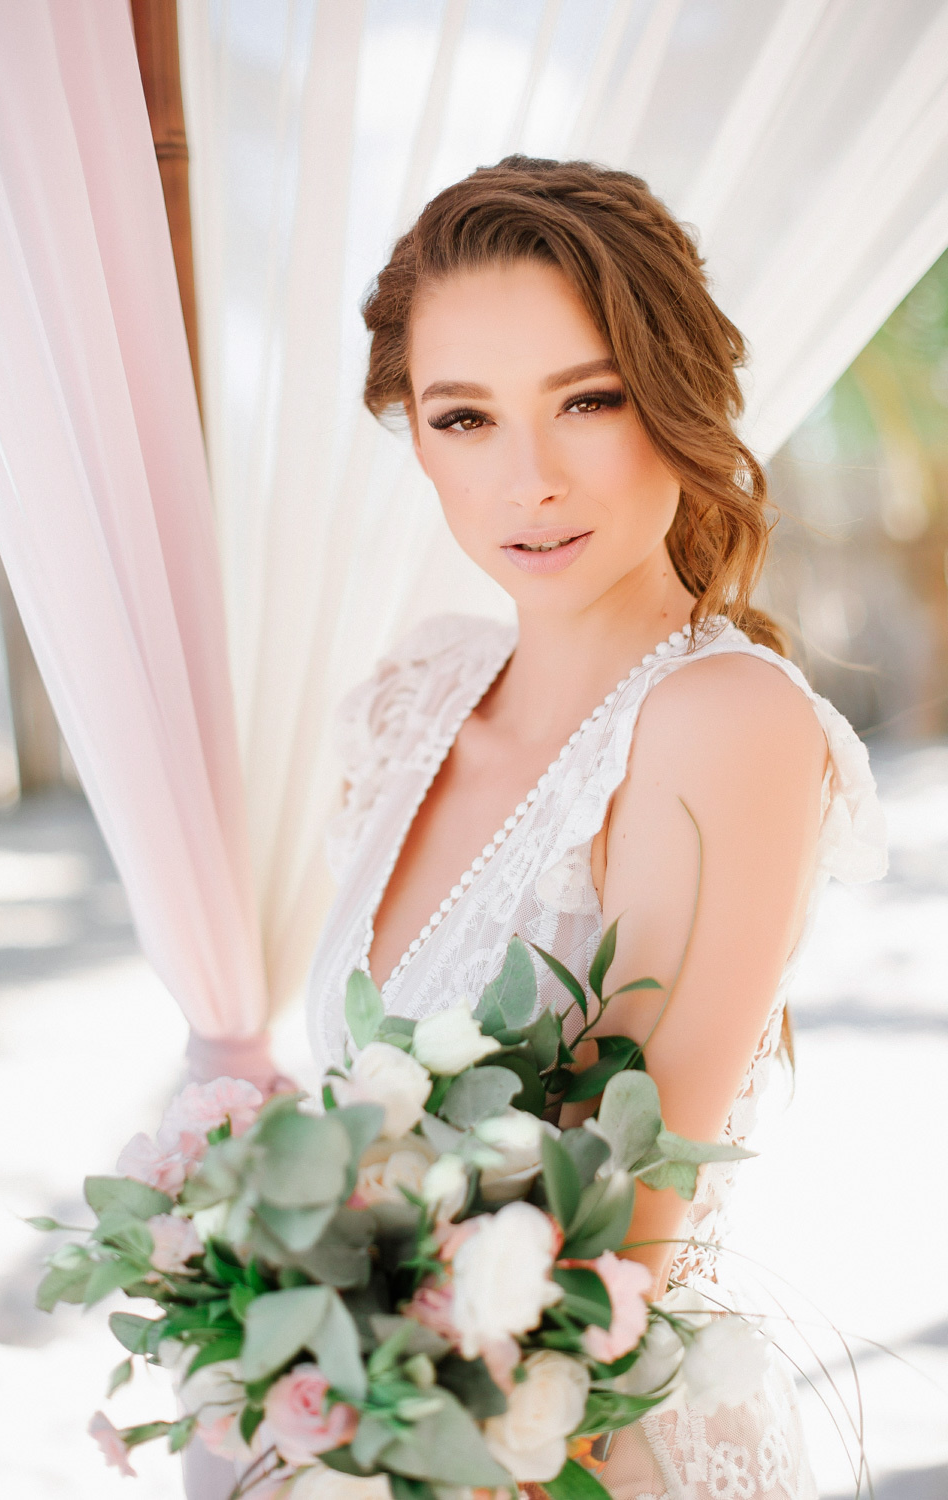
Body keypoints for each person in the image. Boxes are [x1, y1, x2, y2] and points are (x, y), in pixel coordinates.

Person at [305, 157, 887, 1499]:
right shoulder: (416, 699)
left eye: (589, 399)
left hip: (569, 1456)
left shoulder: (720, 722)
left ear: (678, 400)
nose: (531, 480)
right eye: (465, 420)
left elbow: (627, 1237)